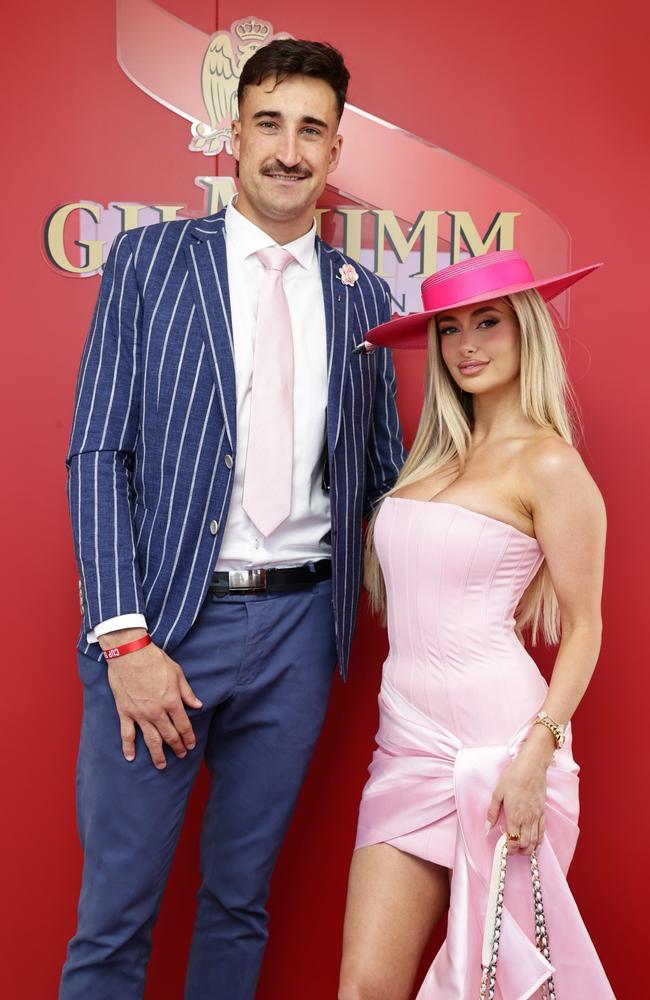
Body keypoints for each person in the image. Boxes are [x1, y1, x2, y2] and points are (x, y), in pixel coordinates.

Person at [60, 39, 404, 1000]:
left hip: (298, 636)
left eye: (311, 130)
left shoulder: (363, 299)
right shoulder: (151, 261)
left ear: (336, 153)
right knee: (115, 916)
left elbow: (382, 484)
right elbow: (98, 450)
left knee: (238, 903)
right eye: (270, 123)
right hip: (164, 627)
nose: (288, 151)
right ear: (233, 135)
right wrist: (126, 642)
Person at [338, 250, 615, 999]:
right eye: (451, 329)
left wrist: (535, 756)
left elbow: (585, 626)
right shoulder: (424, 462)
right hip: (405, 744)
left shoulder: (549, 465)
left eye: (488, 323)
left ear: (526, 331)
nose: (467, 345)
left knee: (493, 984)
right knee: (364, 987)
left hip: (504, 750)